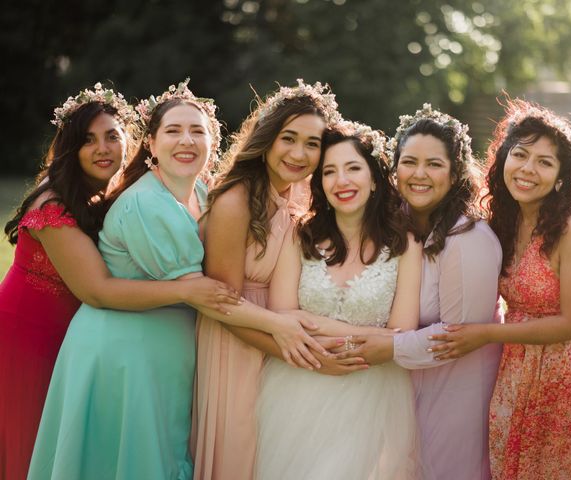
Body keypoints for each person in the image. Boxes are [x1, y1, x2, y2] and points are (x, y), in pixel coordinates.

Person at [0, 84, 234, 480]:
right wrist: (184, 290)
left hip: (82, 328)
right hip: (30, 334)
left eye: (112, 136)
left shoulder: (117, 192)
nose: (103, 148)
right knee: (30, 438)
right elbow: (99, 289)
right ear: (69, 148)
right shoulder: (53, 204)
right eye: (88, 140)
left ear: (132, 141)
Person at [430, 100, 571, 479]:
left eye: (545, 162)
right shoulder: (502, 220)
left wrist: (484, 334)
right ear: (504, 158)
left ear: (559, 178)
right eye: (520, 154)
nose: (527, 169)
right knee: (513, 465)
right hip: (519, 363)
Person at [337, 104, 503, 479]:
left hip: (458, 395)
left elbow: (458, 337)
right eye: (409, 162)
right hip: (410, 389)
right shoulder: (401, 227)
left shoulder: (467, 239)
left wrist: (391, 348)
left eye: (434, 164)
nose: (420, 174)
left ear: (455, 171)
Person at [190, 79, 344, 480]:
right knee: (239, 452)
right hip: (235, 342)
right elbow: (222, 304)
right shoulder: (235, 201)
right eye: (288, 138)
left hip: (276, 340)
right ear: (267, 138)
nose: (299, 153)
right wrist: (295, 348)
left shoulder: (295, 196)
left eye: (312, 143)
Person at [254, 121, 423, 480]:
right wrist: (358, 333)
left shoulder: (405, 244)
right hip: (297, 383)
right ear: (320, 184)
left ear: (375, 177)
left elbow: (402, 332)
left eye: (352, 168)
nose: (341, 181)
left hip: (372, 392)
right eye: (329, 171)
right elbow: (283, 313)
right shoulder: (300, 235)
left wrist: (324, 328)